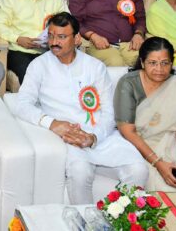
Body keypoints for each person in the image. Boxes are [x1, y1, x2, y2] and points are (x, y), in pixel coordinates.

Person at [10, 12, 147, 203]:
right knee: (80, 172)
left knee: (138, 169)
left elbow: (109, 111)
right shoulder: (39, 65)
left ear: (76, 39)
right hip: (68, 138)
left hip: (101, 136)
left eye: (61, 37)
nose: (54, 42)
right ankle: (83, 222)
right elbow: (22, 104)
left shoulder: (95, 66)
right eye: (50, 36)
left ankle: (125, 221)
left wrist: (94, 136)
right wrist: (52, 123)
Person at [114, 37, 176, 191]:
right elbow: (128, 131)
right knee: (164, 186)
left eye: (164, 63)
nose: (159, 69)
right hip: (138, 146)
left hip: (173, 144)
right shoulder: (128, 84)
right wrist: (159, 163)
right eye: (152, 63)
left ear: (172, 63)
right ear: (142, 62)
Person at [0, 0, 68, 84]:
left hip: (51, 49)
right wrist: (18, 38)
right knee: (32, 76)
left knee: (63, 73)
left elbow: (67, 22)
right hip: (20, 51)